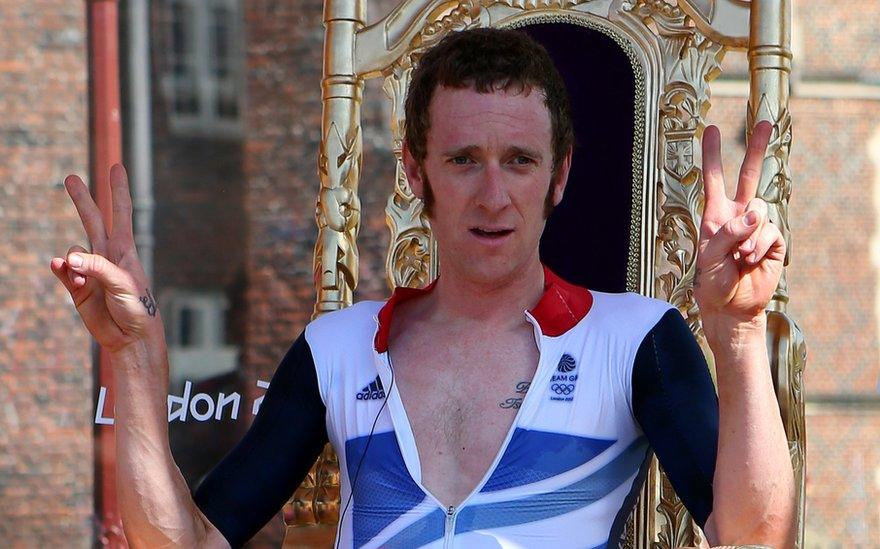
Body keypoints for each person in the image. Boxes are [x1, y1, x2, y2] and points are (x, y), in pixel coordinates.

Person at [51, 28, 795, 548]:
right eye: (465, 159)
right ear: (415, 172)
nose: (493, 194)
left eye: (521, 161)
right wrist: (137, 355)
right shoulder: (337, 347)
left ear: (560, 175)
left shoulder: (635, 340)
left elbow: (755, 535)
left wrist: (738, 331)